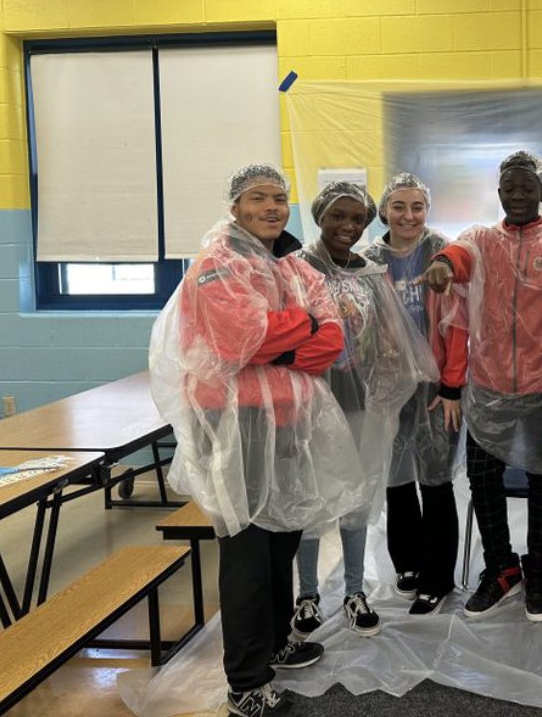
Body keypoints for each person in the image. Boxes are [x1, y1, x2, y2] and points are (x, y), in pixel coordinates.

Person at [148, 164, 364, 717]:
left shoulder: (290, 262)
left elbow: (331, 335)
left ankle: (275, 642)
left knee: (282, 534)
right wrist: (296, 333)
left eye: (279, 198)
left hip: (286, 420)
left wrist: (284, 337)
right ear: (236, 206)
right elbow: (241, 335)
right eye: (259, 198)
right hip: (232, 421)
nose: (272, 207)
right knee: (246, 545)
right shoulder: (217, 262)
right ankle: (245, 682)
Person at [422, 151, 542, 623]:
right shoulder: (483, 239)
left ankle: (537, 570)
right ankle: (500, 568)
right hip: (488, 386)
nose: (518, 195)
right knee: (482, 480)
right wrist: (443, 265)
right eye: (510, 188)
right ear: (499, 194)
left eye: (527, 188)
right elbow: (458, 256)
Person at [291, 181, 438, 639]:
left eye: (357, 218)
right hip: (310, 402)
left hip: (361, 405)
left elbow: (393, 338)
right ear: (319, 216)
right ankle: (309, 597)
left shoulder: (371, 274)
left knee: (357, 496)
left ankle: (355, 592)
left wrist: (392, 376)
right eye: (338, 215)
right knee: (310, 499)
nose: (348, 226)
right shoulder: (296, 270)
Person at [362, 173, 469, 615]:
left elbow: (459, 325)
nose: (408, 216)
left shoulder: (440, 253)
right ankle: (406, 562)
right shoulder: (367, 259)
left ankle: (437, 576)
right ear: (385, 209)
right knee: (396, 476)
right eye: (399, 206)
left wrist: (451, 386)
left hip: (434, 386)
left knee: (435, 477)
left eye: (417, 207)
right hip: (387, 385)